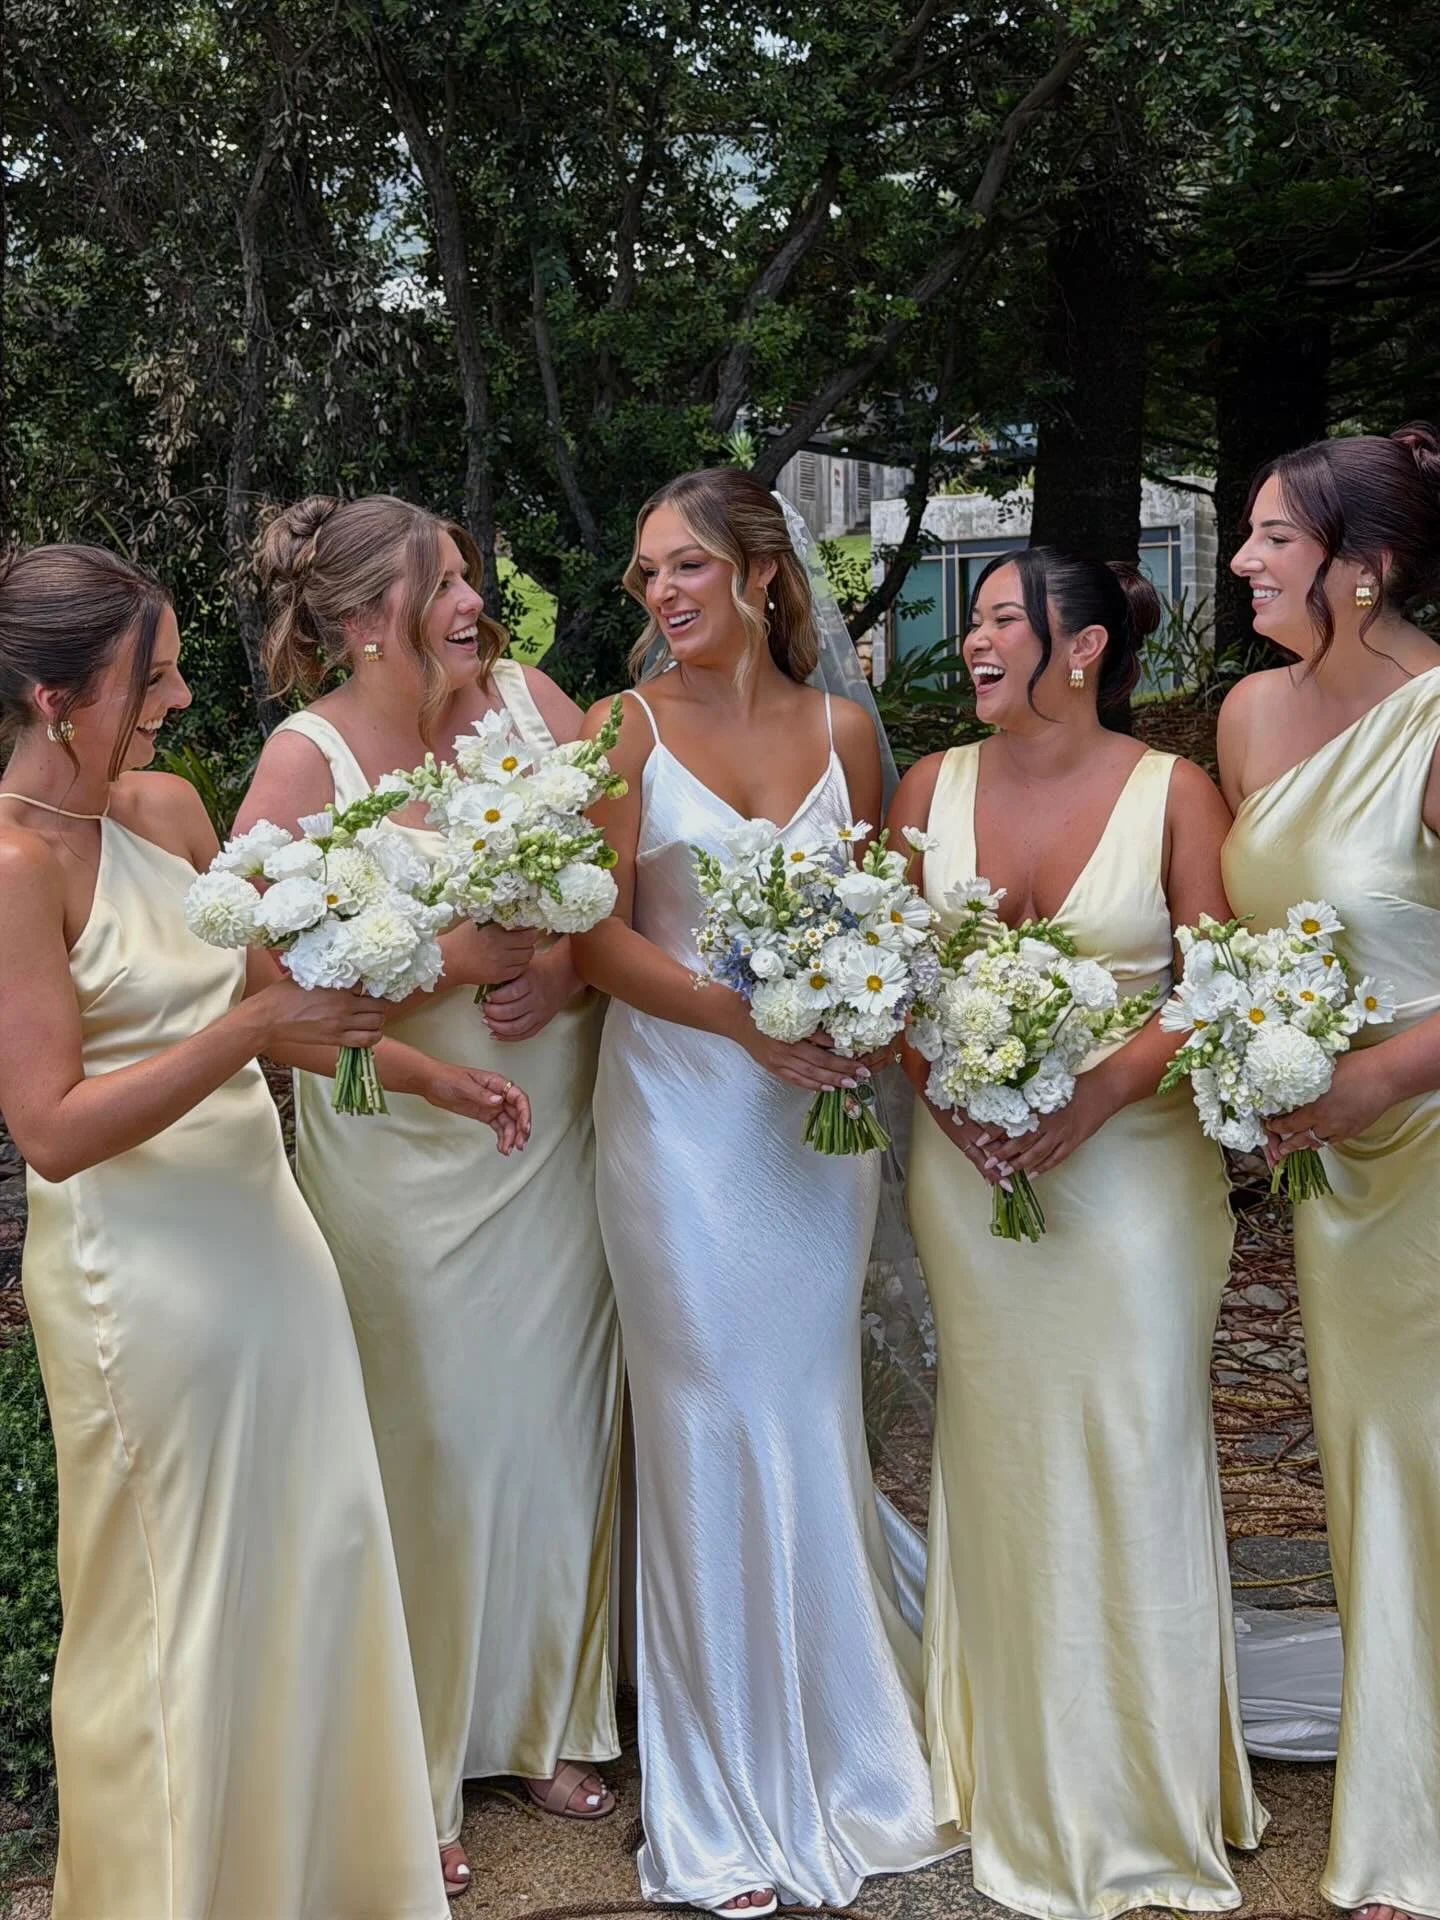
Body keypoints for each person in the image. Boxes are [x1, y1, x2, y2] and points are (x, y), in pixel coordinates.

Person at [0, 544, 520, 1918]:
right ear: (59, 698)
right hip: (143, 1285)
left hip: (268, 1248)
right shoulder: (12, 868)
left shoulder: (165, 811)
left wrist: (429, 1071)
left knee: (315, 1558)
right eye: (148, 673)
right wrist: (248, 1028)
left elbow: (285, 1003)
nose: (174, 696)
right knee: (173, 1607)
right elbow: (50, 1128)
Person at [571, 466, 961, 1919]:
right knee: (703, 1410)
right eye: (647, 575)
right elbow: (595, 945)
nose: (663, 595)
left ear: (761, 574)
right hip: (678, 1118)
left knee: (804, 1403)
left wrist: (852, 1017)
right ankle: (721, 1782)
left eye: (685, 567)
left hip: (813, 1131)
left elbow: (870, 924)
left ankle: (850, 1740)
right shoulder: (627, 730)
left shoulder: (845, 733)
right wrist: (745, 1019)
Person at [234, 495, 623, 1897]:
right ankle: (411, 1762)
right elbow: (269, 994)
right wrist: (447, 1008)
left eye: (466, 573)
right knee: (436, 1444)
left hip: (555, 1127)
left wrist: (570, 966)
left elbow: (614, 869)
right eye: (437, 582)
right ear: (359, 622)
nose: (470, 601)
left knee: (554, 1425)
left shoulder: (529, 701)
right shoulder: (308, 757)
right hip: (400, 1134)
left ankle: (543, 1721)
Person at [889, 547, 1265, 1918]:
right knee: (998, 1446)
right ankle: (1010, 1761)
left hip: (1137, 1175)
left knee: (1134, 1435)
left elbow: (1215, 976)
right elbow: (881, 969)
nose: (976, 641)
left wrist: (1100, 1089)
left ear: (1086, 645)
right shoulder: (928, 789)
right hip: (969, 1170)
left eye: (1003, 621)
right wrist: (950, 1099)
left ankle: (1145, 1779)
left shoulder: (1177, 791)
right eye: (974, 621)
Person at [1220, 423, 1440, 1920]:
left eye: (1274, 541)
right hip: (1333, 1174)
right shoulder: (1245, 717)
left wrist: (1374, 1074)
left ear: (1363, 571)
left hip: (1427, 1132)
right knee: (1372, 1463)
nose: (1244, 561)